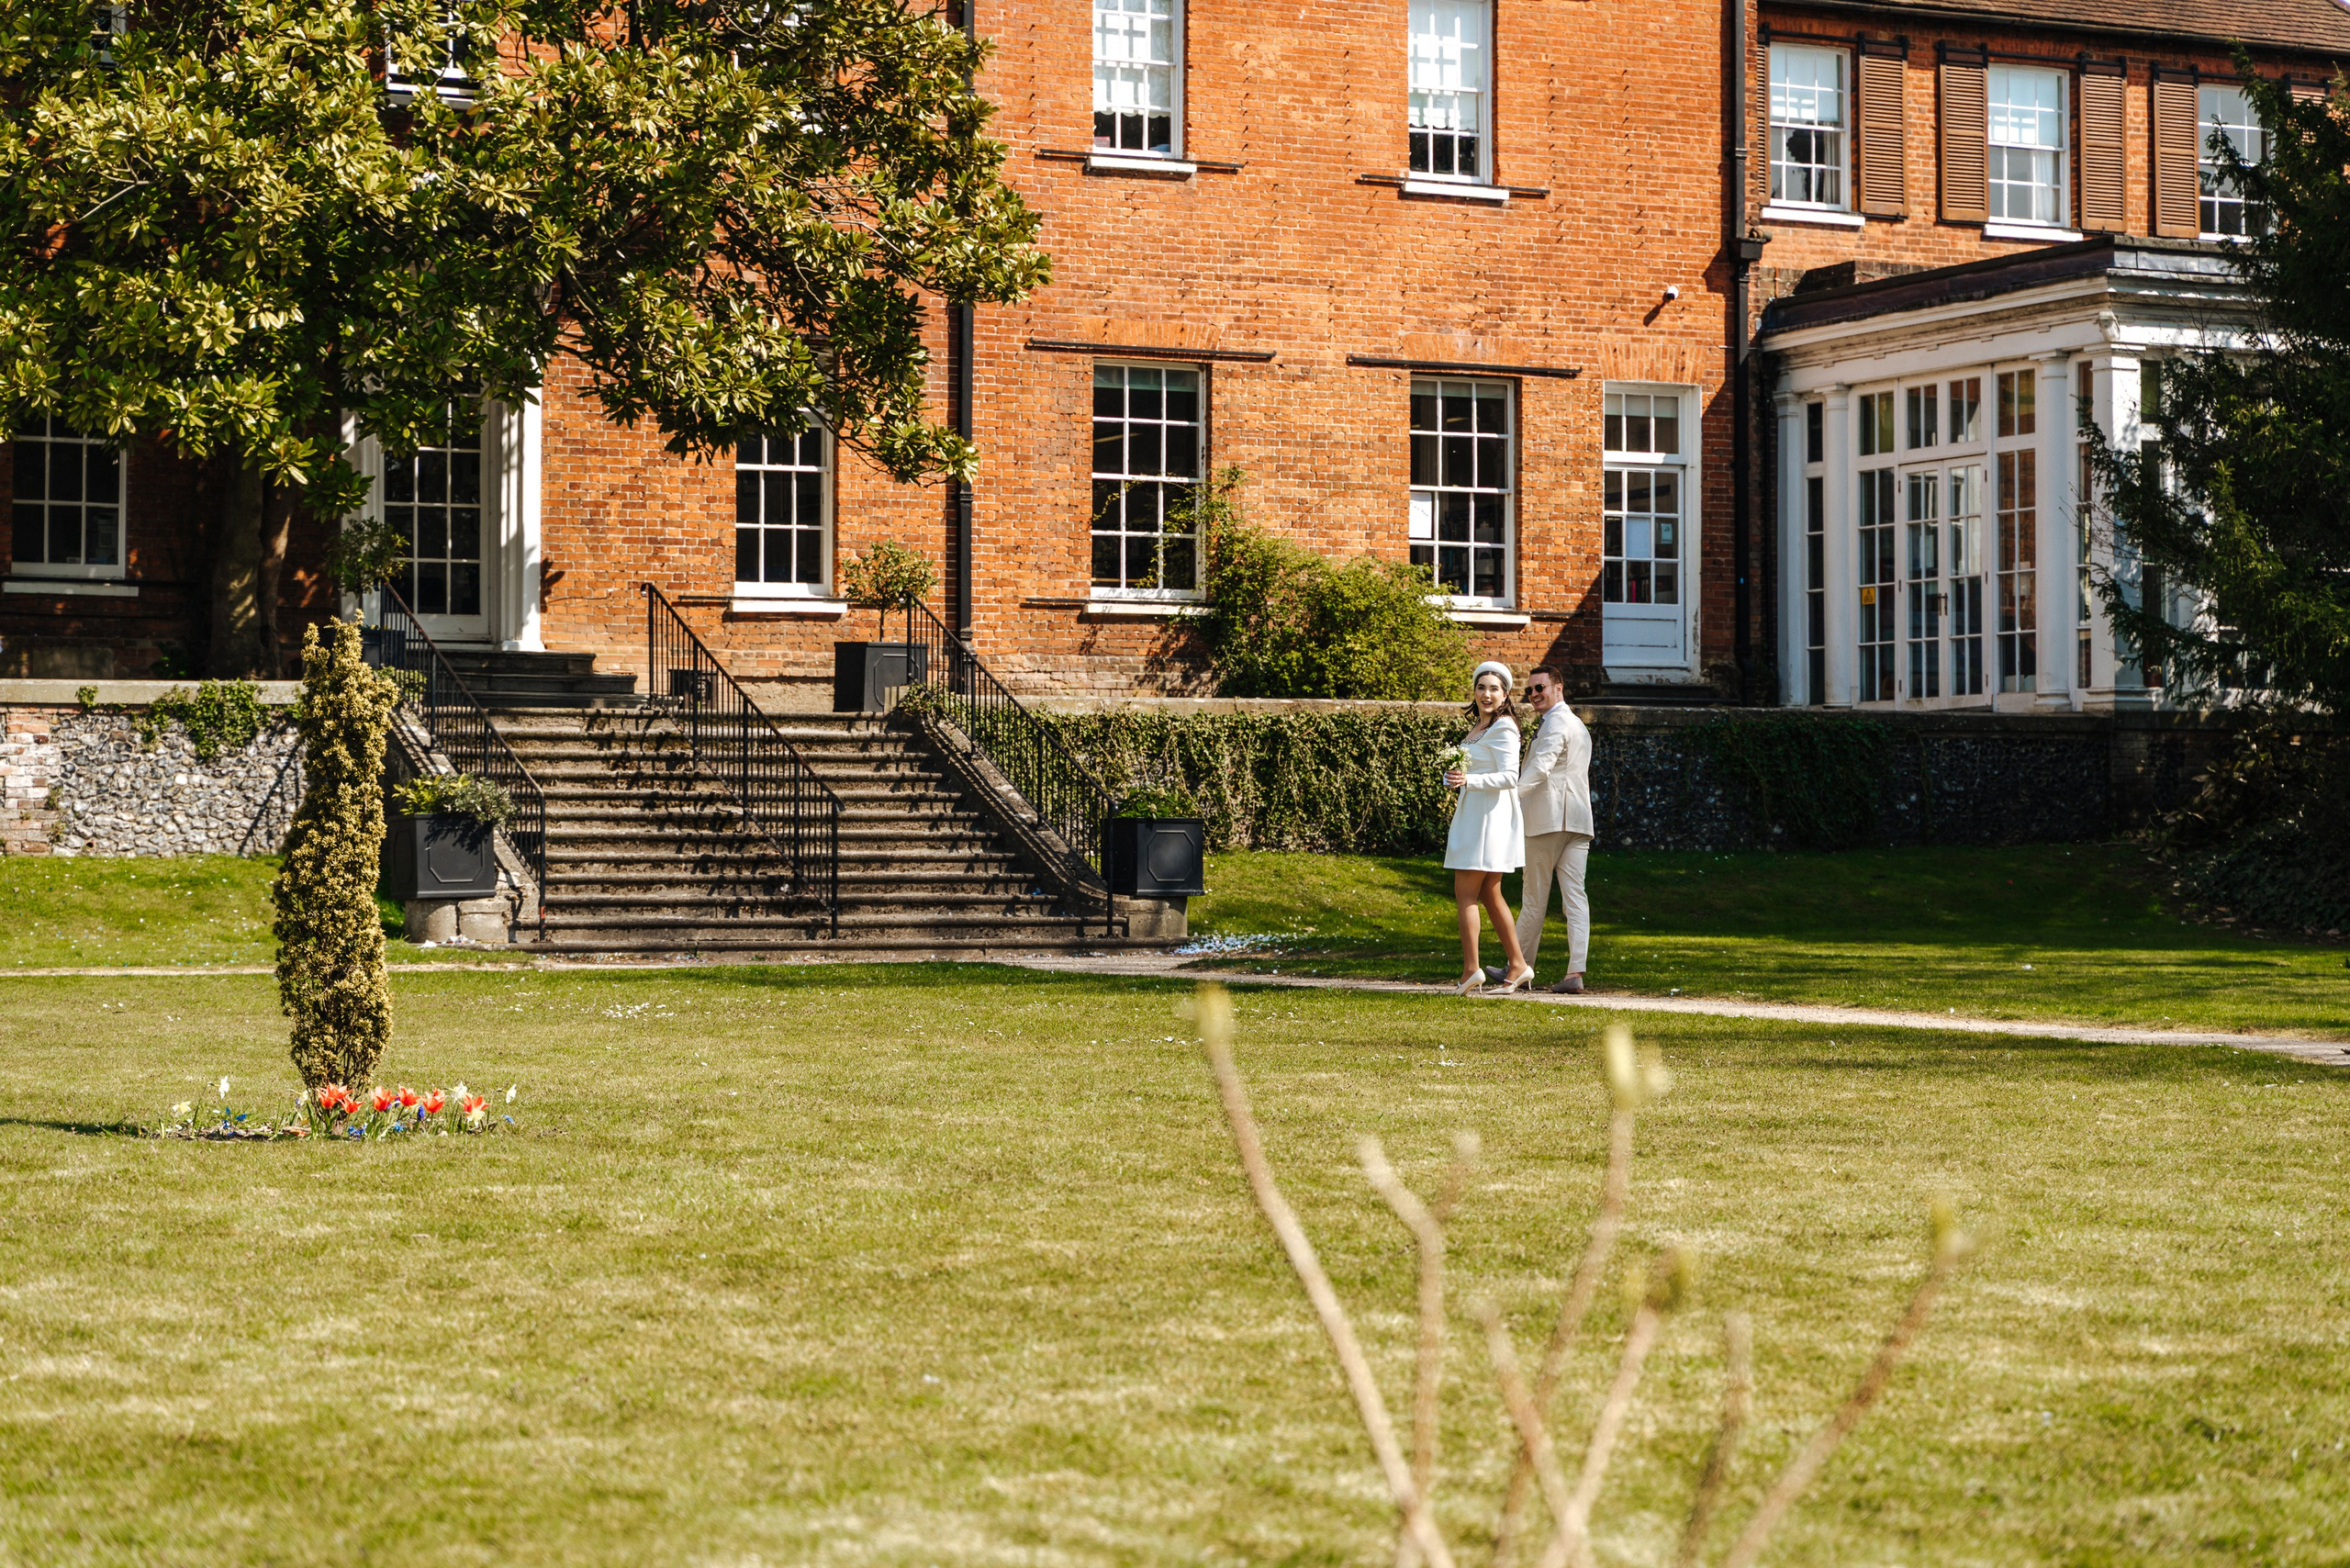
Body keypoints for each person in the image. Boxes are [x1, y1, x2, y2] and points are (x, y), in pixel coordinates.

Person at [1443, 662, 1536, 995]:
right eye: (1481, 687)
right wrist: (1453, 777)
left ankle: (1471, 970)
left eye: (1494, 688)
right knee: (1489, 894)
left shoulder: (1504, 727)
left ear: (1506, 694)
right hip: (1475, 813)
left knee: (1466, 894)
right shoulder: (1480, 727)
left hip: (1489, 819)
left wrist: (1470, 779)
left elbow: (1511, 776)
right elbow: (1467, 769)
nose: (1487, 694)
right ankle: (1518, 964)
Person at [1511, 665, 1594, 994]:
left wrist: (1510, 797)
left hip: (1548, 821)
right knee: (1576, 898)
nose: (1533, 695)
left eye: (1540, 688)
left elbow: (1542, 767)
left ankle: (1517, 966)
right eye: (1529, 690)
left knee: (1533, 897)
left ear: (1558, 688)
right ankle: (1575, 972)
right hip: (1577, 821)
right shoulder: (1577, 724)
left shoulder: (1557, 723)